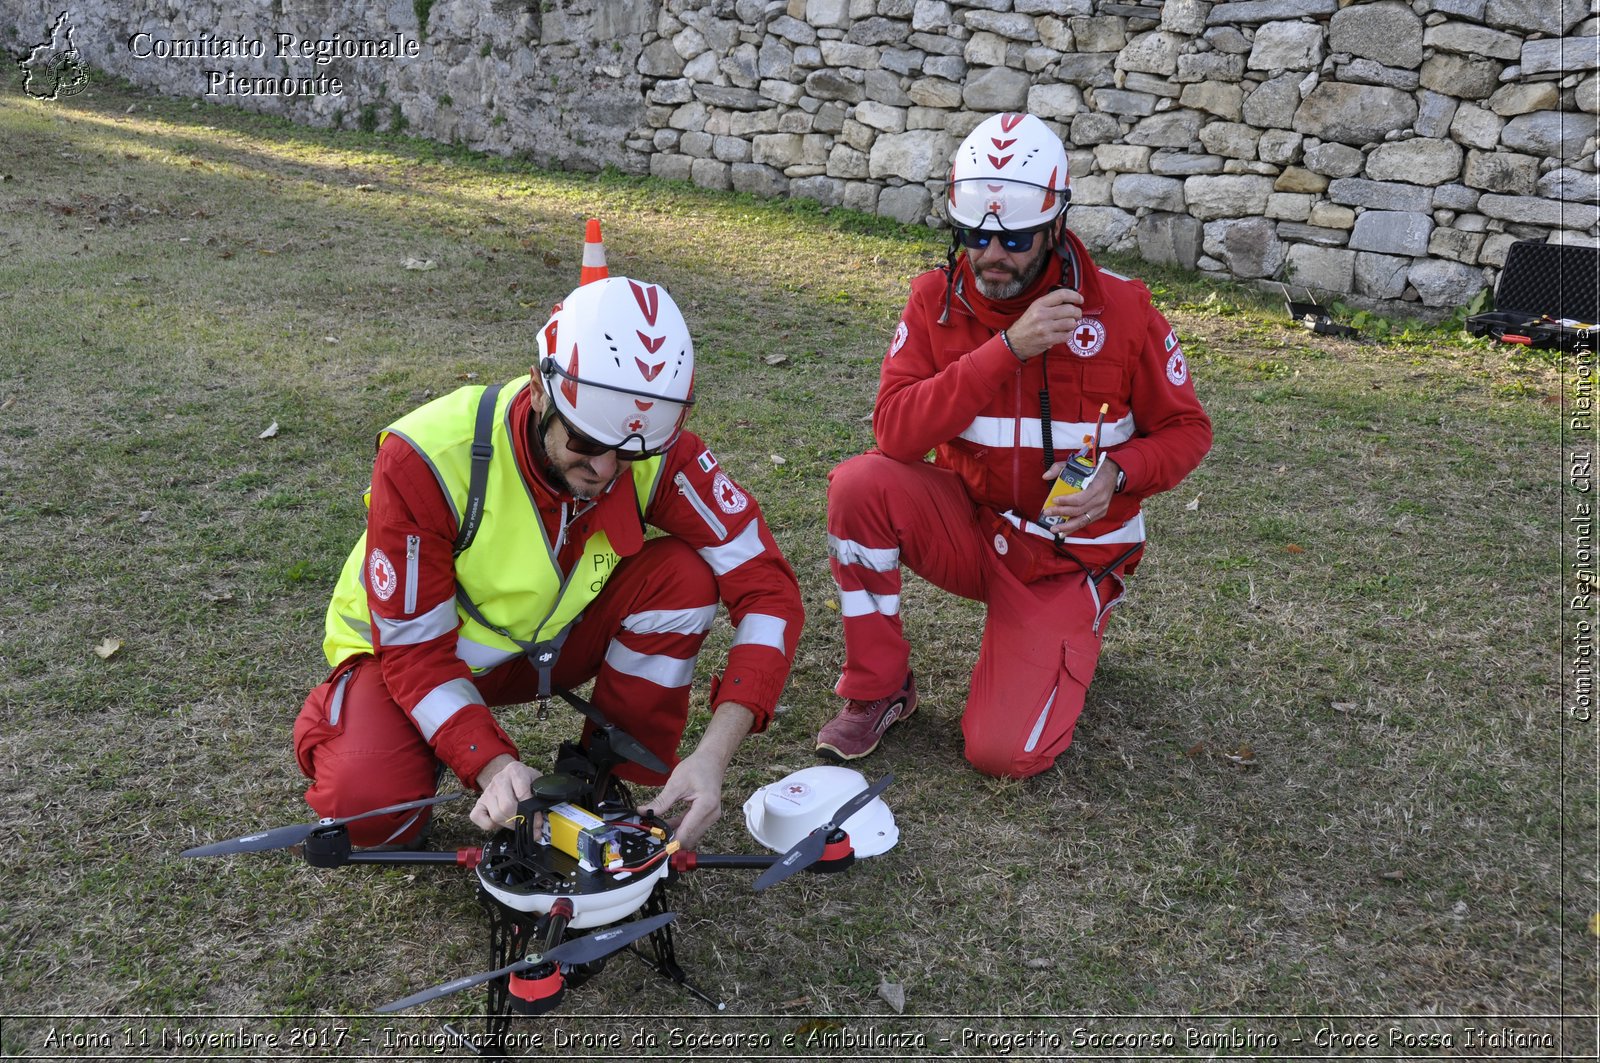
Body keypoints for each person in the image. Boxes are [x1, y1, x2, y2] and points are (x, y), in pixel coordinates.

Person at [293, 250, 803, 850]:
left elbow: (769, 591)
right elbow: (412, 650)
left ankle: (622, 781)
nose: (607, 468)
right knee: (369, 819)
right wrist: (486, 760)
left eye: (629, 453)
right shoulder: (426, 457)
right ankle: (404, 733)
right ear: (539, 389)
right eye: (585, 440)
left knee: (683, 577)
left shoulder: (656, 448)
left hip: (540, 651)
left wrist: (715, 753)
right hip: (408, 659)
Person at [815, 113, 1212, 778]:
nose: (992, 254)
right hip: (975, 527)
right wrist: (1006, 350)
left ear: (1055, 226)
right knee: (859, 485)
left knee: (1003, 755)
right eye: (974, 234)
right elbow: (895, 432)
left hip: (1065, 555)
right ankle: (878, 687)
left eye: (1015, 238)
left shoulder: (1123, 307)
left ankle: (1074, 624)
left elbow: (1189, 430)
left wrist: (1119, 471)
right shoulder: (934, 301)